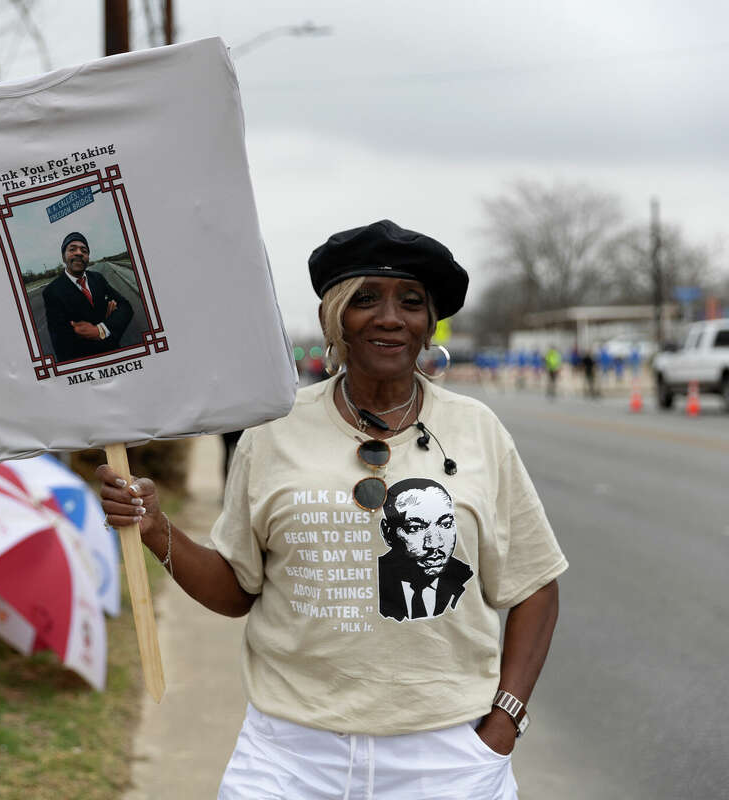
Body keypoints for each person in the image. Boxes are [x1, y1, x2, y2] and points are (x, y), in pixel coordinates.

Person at [98, 220, 566, 799]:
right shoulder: (274, 431)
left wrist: (504, 722)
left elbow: (535, 583)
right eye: (365, 299)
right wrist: (155, 527)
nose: (390, 317)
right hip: (290, 756)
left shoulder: (477, 431)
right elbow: (237, 589)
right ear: (335, 319)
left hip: (445, 758)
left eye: (412, 303)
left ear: (428, 327)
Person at [377, 477, 473, 621]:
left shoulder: (467, 578)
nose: (435, 543)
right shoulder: (370, 579)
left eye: (446, 524)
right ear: (387, 532)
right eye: (415, 528)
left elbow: (517, 596)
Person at [42, 231, 134, 362]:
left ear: (88, 257)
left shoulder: (98, 278)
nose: (79, 253)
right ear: (63, 257)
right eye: (72, 249)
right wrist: (109, 318)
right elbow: (62, 346)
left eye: (84, 250)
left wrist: (101, 329)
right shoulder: (52, 292)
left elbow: (126, 306)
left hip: (116, 354)